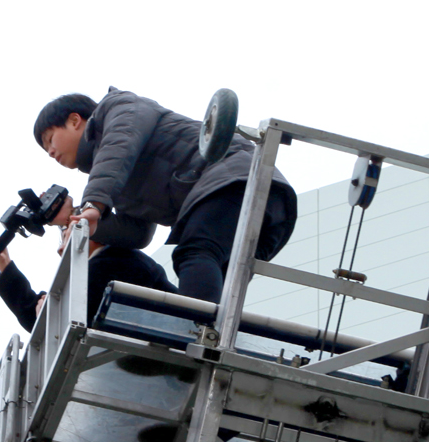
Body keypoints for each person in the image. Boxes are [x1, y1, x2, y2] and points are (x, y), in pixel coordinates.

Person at [33, 89, 297, 302]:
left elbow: (119, 145)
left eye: (50, 139)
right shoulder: (117, 180)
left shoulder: (119, 108)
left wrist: (92, 206)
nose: (50, 152)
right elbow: (137, 234)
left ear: (74, 120)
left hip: (235, 177)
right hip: (262, 207)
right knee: (223, 286)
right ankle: (210, 342)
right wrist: (75, 218)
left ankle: (192, 334)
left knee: (194, 253)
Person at [0, 196, 176, 332]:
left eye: (67, 236)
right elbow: (38, 322)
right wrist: (4, 263)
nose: (60, 249)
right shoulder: (97, 272)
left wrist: (53, 309)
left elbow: (56, 319)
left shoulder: (120, 260)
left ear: (91, 231)